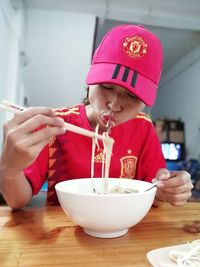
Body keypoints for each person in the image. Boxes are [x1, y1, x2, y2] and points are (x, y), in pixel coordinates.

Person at [0, 24, 193, 209]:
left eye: (132, 96)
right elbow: (18, 201)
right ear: (90, 79)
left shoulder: (143, 128)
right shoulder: (56, 125)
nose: (114, 105)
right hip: (64, 230)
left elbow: (154, 194)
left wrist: (168, 190)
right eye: (106, 87)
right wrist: (9, 169)